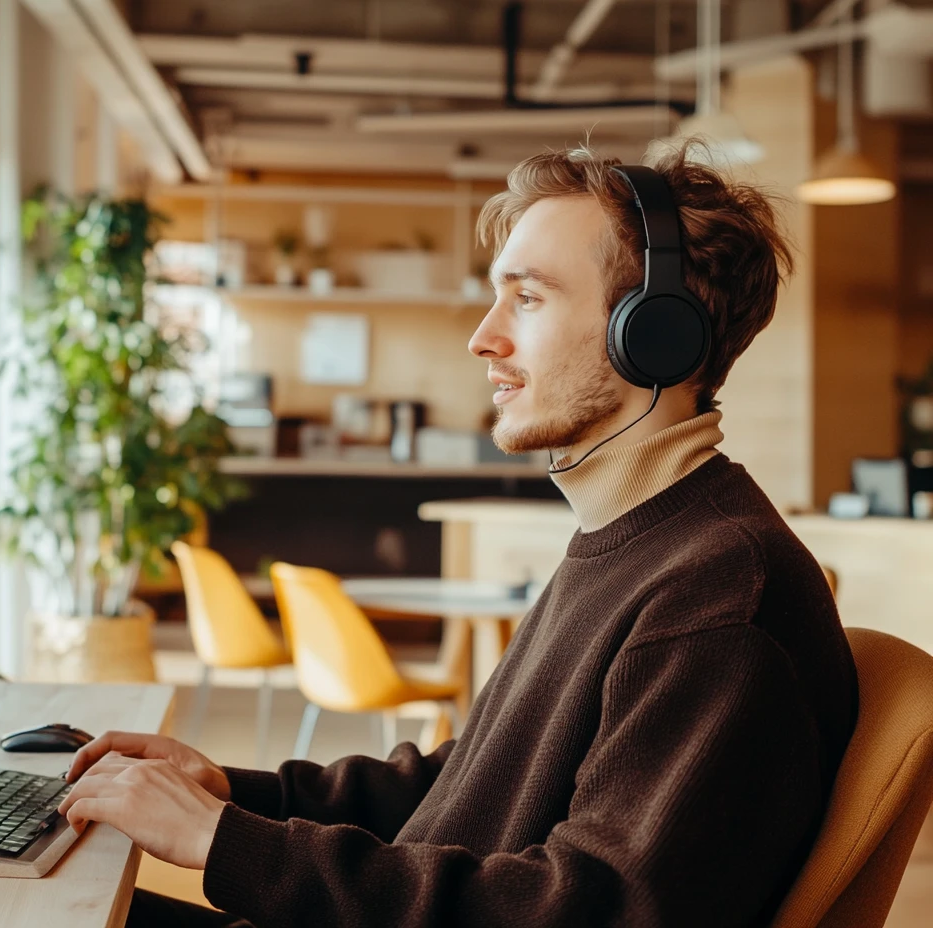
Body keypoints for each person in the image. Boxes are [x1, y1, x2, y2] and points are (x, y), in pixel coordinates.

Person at [57, 142, 858, 927]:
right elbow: (471, 781)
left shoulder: (718, 591)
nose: (483, 337)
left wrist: (226, 844)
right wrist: (234, 795)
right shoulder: (637, 537)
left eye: (529, 298)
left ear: (653, 335)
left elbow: (591, 905)